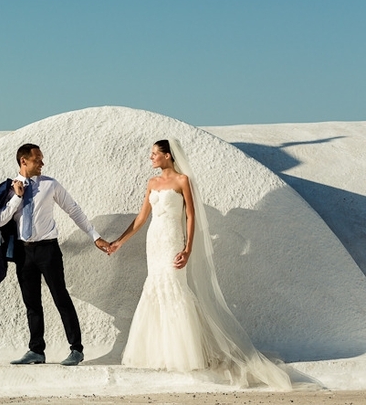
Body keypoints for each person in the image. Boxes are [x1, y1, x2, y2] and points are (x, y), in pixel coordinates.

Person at [108, 139, 291, 389]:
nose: (150, 157)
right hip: (155, 240)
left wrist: (188, 248)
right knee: (155, 288)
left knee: (175, 288)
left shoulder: (183, 181)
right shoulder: (152, 183)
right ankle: (160, 353)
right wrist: (119, 242)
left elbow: (190, 216)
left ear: (168, 155)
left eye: (154, 153)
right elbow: (141, 218)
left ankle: (184, 353)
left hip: (172, 240)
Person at [0, 143, 111, 366]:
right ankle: (36, 351)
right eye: (37, 159)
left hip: (48, 250)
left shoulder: (50, 184)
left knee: (61, 298)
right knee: (32, 303)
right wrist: (17, 197)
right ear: (23, 161)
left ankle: (76, 349)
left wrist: (95, 236)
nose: (42, 163)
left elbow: (73, 209)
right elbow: (0, 220)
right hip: (23, 252)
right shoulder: (9, 188)